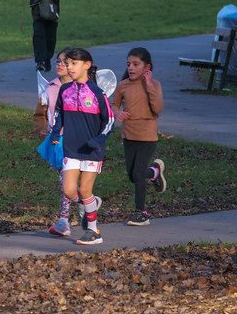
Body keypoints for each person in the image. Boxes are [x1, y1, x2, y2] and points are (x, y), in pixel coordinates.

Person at [49, 47, 113, 246]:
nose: (69, 67)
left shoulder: (97, 93)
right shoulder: (65, 91)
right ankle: (91, 203)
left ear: (87, 65)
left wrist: (99, 140)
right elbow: (59, 113)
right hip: (71, 149)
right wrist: (55, 132)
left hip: (92, 151)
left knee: (85, 190)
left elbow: (109, 120)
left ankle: (93, 232)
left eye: (73, 63)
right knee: (69, 191)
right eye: (67, 64)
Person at [111, 47, 167, 227]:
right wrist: (117, 113)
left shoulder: (155, 85)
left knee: (138, 173)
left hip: (148, 136)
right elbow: (114, 105)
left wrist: (149, 85)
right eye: (128, 64)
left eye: (136, 64)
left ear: (147, 67)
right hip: (129, 135)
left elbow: (157, 109)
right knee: (133, 176)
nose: (131, 68)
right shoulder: (123, 85)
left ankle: (140, 213)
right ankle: (154, 172)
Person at [37, 49, 78, 237]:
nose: (59, 64)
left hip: (75, 140)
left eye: (65, 62)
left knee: (65, 180)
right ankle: (65, 219)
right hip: (55, 140)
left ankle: (85, 203)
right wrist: (42, 129)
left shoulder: (81, 88)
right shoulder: (50, 87)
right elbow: (40, 112)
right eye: (58, 61)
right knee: (63, 180)